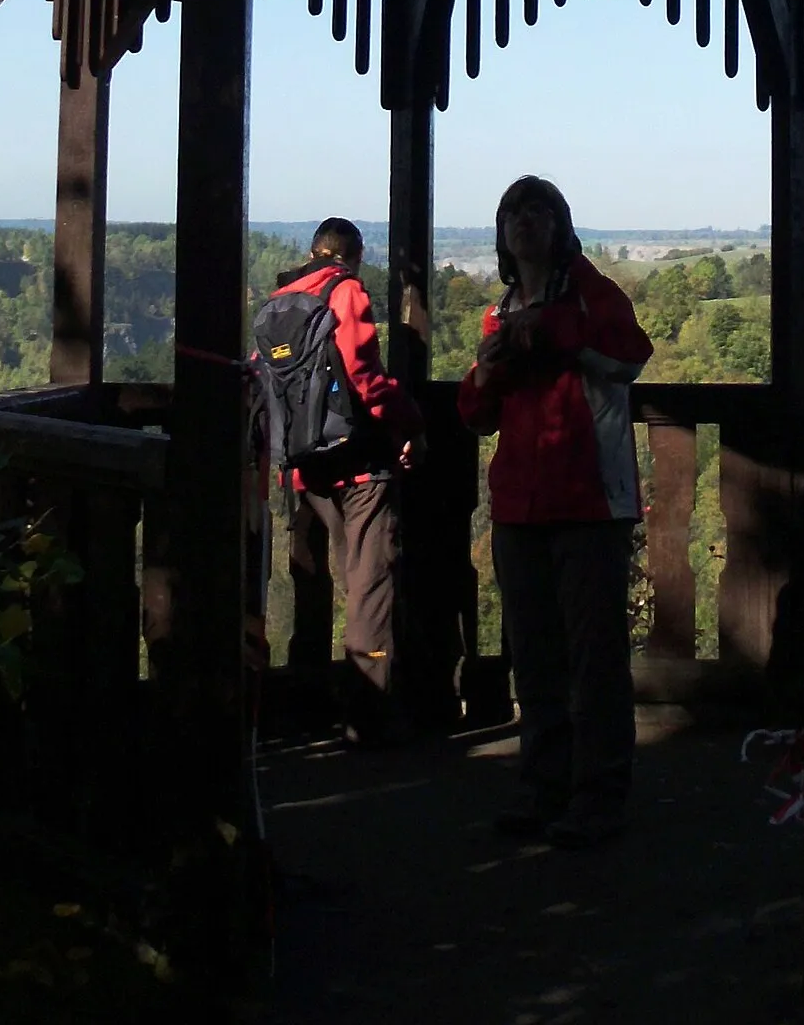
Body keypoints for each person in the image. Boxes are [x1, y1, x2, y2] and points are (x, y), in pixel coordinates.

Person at [458, 176, 653, 846]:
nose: (526, 220)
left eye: (539, 209)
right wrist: (485, 373)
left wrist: (547, 331)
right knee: (537, 657)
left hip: (590, 503)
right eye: (514, 209)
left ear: (560, 225)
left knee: (594, 657)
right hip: (520, 506)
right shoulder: (498, 313)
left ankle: (599, 796)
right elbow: (477, 415)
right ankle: (544, 789)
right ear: (503, 230)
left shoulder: (593, 294)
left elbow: (630, 354)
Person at [258, 218, 423, 744]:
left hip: (303, 468)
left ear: (312, 251)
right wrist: (409, 418)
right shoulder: (346, 293)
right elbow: (364, 377)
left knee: (312, 586)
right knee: (369, 586)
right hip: (356, 464)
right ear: (352, 255)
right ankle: (367, 715)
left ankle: (303, 711)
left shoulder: (279, 300)